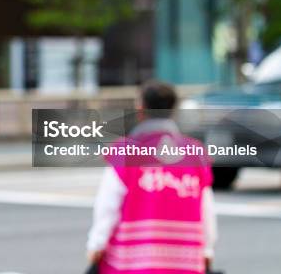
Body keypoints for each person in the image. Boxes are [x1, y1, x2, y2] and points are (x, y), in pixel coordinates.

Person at [86, 80, 216, 273]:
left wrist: (97, 244)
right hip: (183, 263)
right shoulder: (194, 153)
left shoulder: (125, 152)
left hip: (132, 262)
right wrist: (207, 248)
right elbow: (206, 209)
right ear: (174, 109)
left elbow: (107, 207)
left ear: (141, 108)